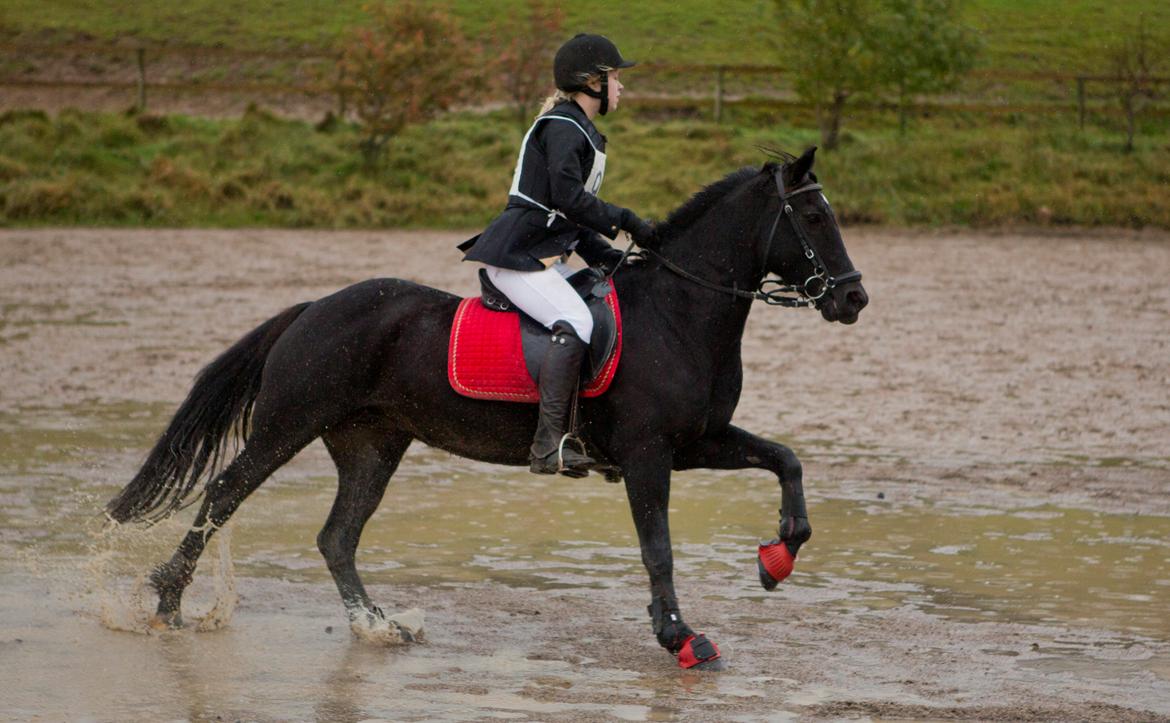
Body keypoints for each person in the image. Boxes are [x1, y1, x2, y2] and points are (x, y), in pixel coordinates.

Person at [459, 33, 655, 477]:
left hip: (544, 253)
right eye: (616, 78)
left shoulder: (580, 129)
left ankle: (594, 434)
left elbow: (569, 218)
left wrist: (606, 256)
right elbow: (568, 198)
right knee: (578, 321)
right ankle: (549, 444)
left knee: (604, 301)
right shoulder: (564, 127)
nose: (621, 87)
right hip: (518, 256)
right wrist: (626, 219)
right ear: (591, 83)